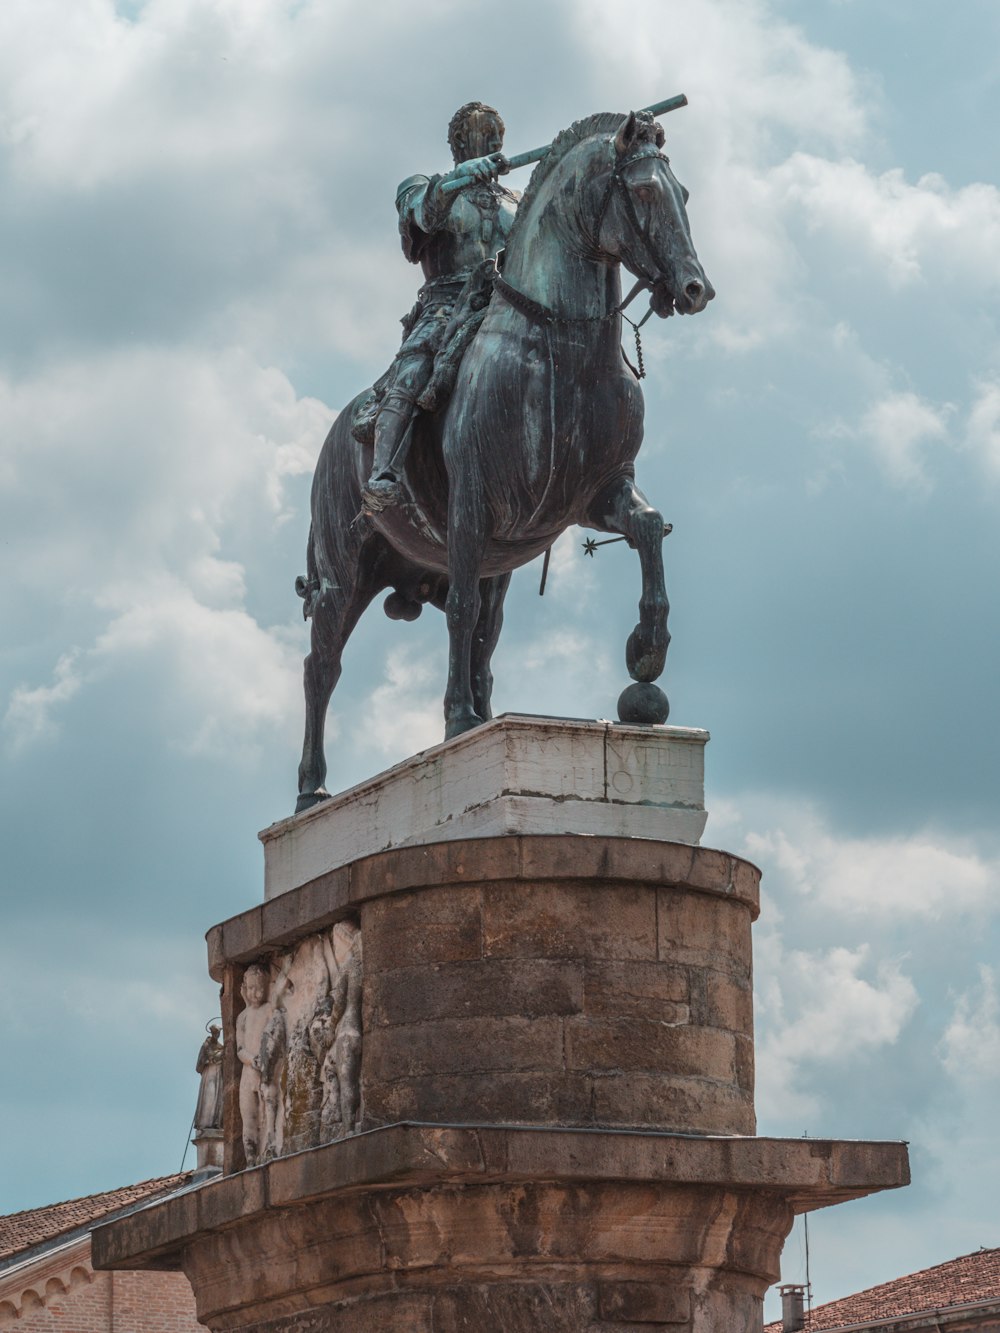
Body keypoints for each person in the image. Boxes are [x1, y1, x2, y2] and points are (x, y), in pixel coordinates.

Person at [359, 102, 519, 514]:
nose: (492, 144)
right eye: (483, 136)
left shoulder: (517, 201)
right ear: (460, 143)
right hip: (446, 303)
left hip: (504, 302)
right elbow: (422, 216)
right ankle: (383, 472)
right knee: (414, 370)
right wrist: (456, 181)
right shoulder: (422, 186)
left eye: (496, 138)